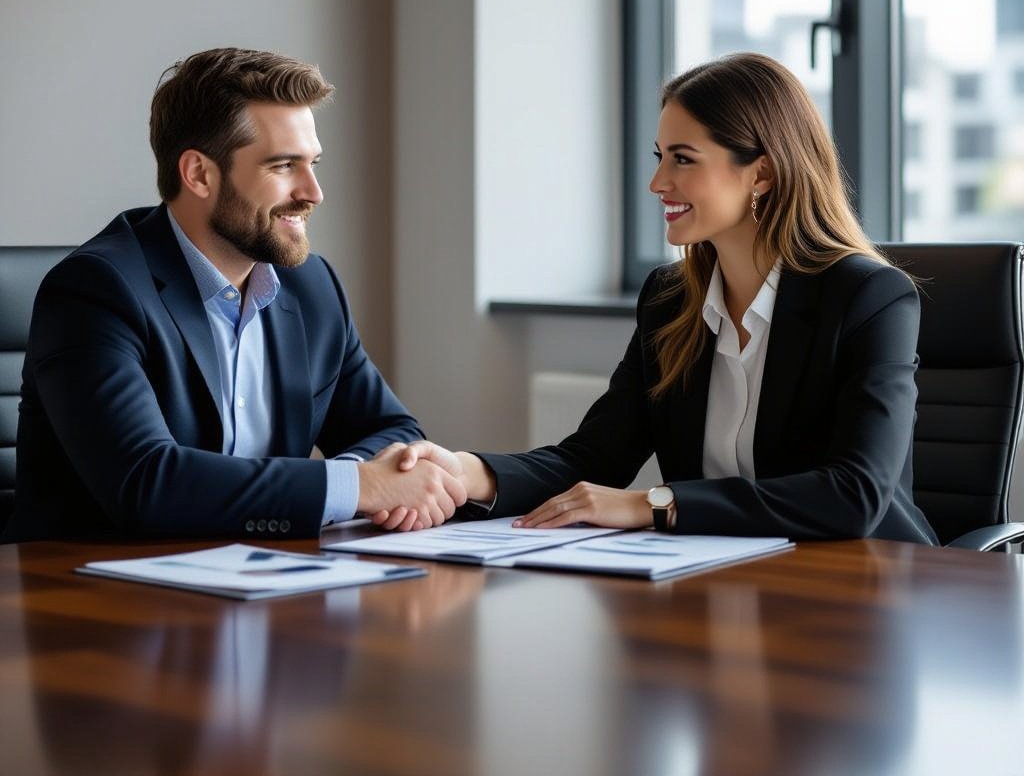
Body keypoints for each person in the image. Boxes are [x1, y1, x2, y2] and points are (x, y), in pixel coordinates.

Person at [396, 53, 938, 543]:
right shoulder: (670, 300)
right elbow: (594, 457)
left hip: (864, 588)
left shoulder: (868, 297)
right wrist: (466, 473)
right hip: (728, 580)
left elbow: (855, 494)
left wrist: (654, 504)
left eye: (683, 159)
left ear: (763, 174)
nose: (657, 182)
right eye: (660, 156)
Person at [3, 48, 465, 543]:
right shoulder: (96, 290)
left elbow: (393, 430)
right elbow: (146, 482)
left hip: (262, 578)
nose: (313, 191)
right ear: (199, 174)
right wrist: (356, 486)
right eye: (284, 165)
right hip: (96, 592)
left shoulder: (311, 285)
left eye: (313, 163)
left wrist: (374, 479)